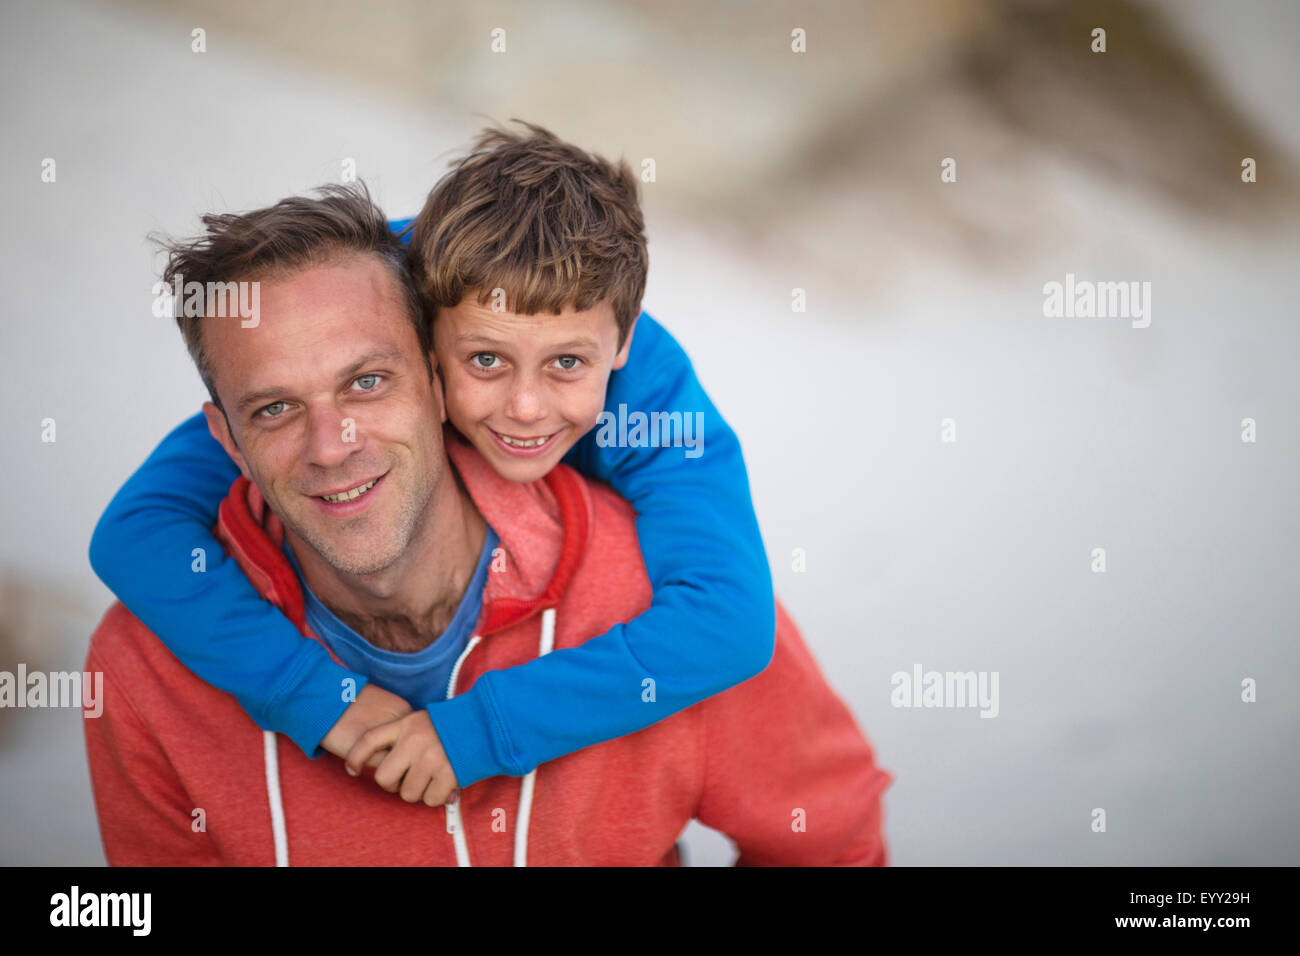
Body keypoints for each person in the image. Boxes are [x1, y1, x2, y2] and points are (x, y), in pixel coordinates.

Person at [83, 184, 891, 864]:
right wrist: (307, 692)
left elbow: (738, 639)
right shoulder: (143, 665)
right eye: (275, 407)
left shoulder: (652, 531)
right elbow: (131, 530)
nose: (331, 444)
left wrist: (484, 729)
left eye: (367, 381)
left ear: (428, 379)